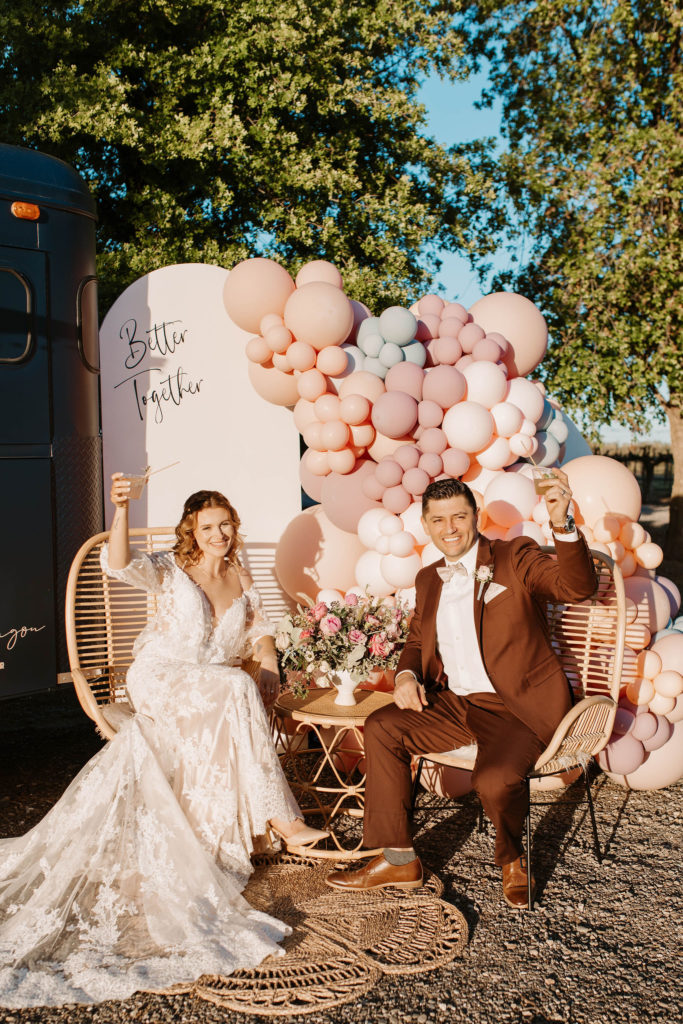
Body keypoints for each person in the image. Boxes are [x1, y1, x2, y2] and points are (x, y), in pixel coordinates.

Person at [0, 477, 326, 1008]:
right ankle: (281, 818)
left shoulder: (242, 576)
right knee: (236, 686)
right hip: (161, 676)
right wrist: (121, 507)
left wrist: (268, 658)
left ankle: (222, 834)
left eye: (225, 525)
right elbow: (117, 562)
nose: (218, 534)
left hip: (211, 688)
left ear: (233, 528)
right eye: (207, 527)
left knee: (236, 686)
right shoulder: (169, 569)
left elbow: (260, 627)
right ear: (191, 532)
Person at [326, 471, 597, 909]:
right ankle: (398, 858)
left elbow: (578, 588)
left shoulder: (514, 557)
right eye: (438, 520)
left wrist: (563, 525)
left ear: (476, 516)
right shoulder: (429, 577)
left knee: (493, 779)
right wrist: (407, 677)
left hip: (517, 705)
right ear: (427, 525)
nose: (449, 528)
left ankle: (512, 859)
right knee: (381, 726)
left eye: (459, 516)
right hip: (455, 702)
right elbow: (416, 642)